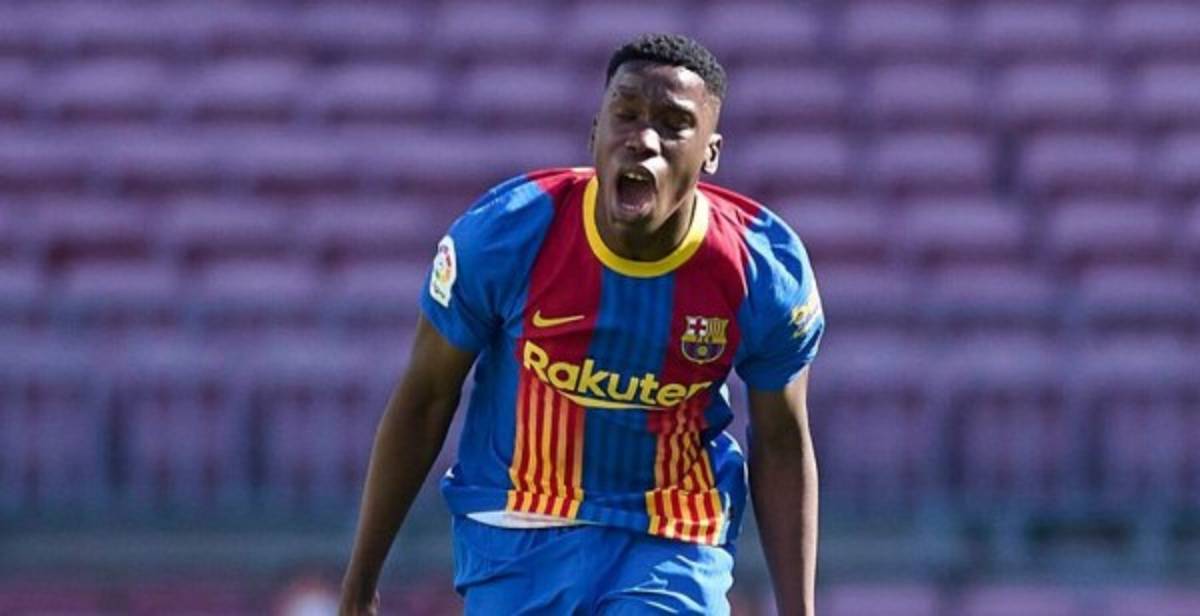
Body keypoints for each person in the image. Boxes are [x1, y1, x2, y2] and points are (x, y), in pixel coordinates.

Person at [339, 33, 824, 616]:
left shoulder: (760, 270)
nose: (644, 139)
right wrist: (360, 583)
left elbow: (781, 440)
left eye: (674, 124)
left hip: (670, 535)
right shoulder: (508, 234)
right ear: (596, 132)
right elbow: (424, 399)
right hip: (518, 526)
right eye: (626, 115)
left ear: (710, 153)